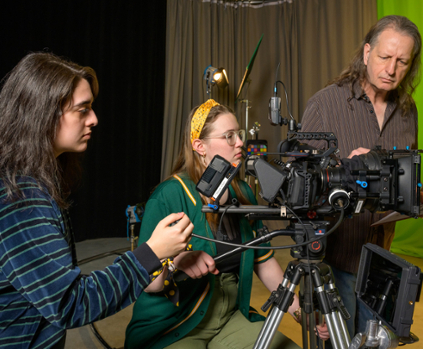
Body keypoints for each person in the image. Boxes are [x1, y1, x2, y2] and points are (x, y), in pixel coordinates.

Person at [0, 52, 194, 349]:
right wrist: (151, 253)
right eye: (82, 109)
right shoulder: (13, 194)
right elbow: (71, 303)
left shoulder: (28, 176)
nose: (94, 119)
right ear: (42, 114)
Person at [125, 99, 329, 349]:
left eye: (239, 134)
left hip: (228, 316)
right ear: (200, 146)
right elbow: (148, 283)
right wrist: (177, 261)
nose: (240, 143)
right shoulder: (170, 195)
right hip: (173, 325)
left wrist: (301, 314)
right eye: (229, 136)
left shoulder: (242, 192)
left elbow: (263, 262)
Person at [299, 15, 423, 339]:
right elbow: (299, 188)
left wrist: (415, 192)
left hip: (380, 258)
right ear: (367, 52)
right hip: (334, 259)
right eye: (385, 57)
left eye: (402, 61)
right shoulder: (325, 103)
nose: (391, 69)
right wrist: (347, 168)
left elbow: (404, 172)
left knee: (376, 342)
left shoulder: (407, 110)